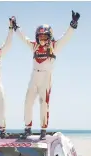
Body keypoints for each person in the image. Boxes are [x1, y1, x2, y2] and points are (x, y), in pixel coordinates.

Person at [12, 11, 81, 140]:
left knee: (44, 103)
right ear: (37, 37)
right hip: (34, 77)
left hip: (46, 78)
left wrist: (73, 24)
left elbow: (66, 37)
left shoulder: (54, 47)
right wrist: (16, 27)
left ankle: (43, 130)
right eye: (40, 37)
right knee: (28, 102)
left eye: (45, 37)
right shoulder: (34, 46)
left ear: (49, 37)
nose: (42, 40)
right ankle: (27, 128)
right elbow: (23, 38)